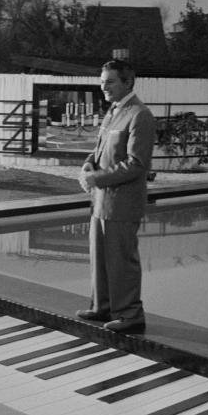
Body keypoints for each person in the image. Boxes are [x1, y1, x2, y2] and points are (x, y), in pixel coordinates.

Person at [76, 59, 156, 333]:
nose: (104, 87)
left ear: (127, 82)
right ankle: (103, 307)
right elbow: (99, 149)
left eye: (110, 82)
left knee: (122, 261)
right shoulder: (113, 112)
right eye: (102, 82)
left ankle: (131, 314)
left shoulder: (139, 115)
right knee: (100, 257)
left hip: (122, 203)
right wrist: (89, 164)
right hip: (101, 201)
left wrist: (95, 178)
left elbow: (137, 163)